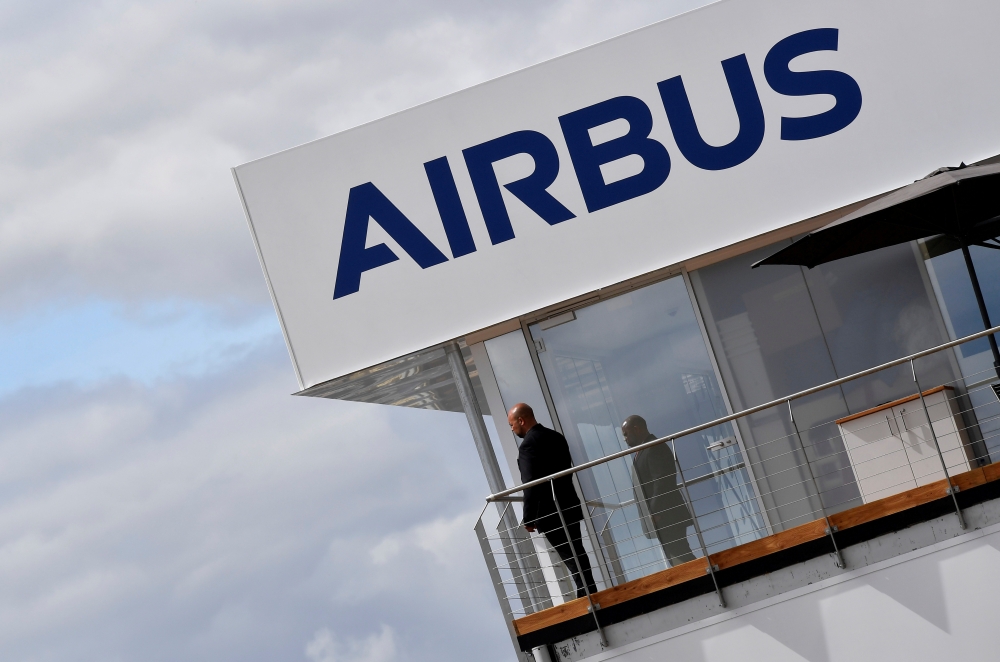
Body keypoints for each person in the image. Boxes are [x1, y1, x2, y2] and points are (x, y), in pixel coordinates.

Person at [509, 403, 598, 599]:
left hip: (550, 511)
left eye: (512, 424)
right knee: (577, 550)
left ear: (521, 420)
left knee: (570, 555)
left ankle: (587, 596)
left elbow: (531, 483)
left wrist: (529, 517)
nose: (512, 428)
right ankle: (587, 591)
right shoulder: (556, 436)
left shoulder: (527, 446)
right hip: (568, 503)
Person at [622, 415, 696, 566]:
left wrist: (654, 512)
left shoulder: (654, 446)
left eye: (626, 434)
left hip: (666, 514)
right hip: (662, 516)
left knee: (680, 555)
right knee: (676, 556)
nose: (625, 439)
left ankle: (703, 580)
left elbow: (662, 480)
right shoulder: (643, 450)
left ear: (637, 429)